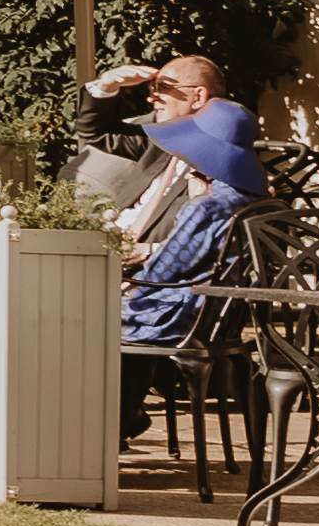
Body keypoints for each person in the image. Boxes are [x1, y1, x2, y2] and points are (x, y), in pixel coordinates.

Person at [103, 51, 260, 365]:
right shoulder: (246, 198)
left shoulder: (205, 207)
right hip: (200, 314)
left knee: (67, 318)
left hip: (166, 319)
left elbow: (162, 271)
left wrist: (119, 286)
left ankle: (120, 410)